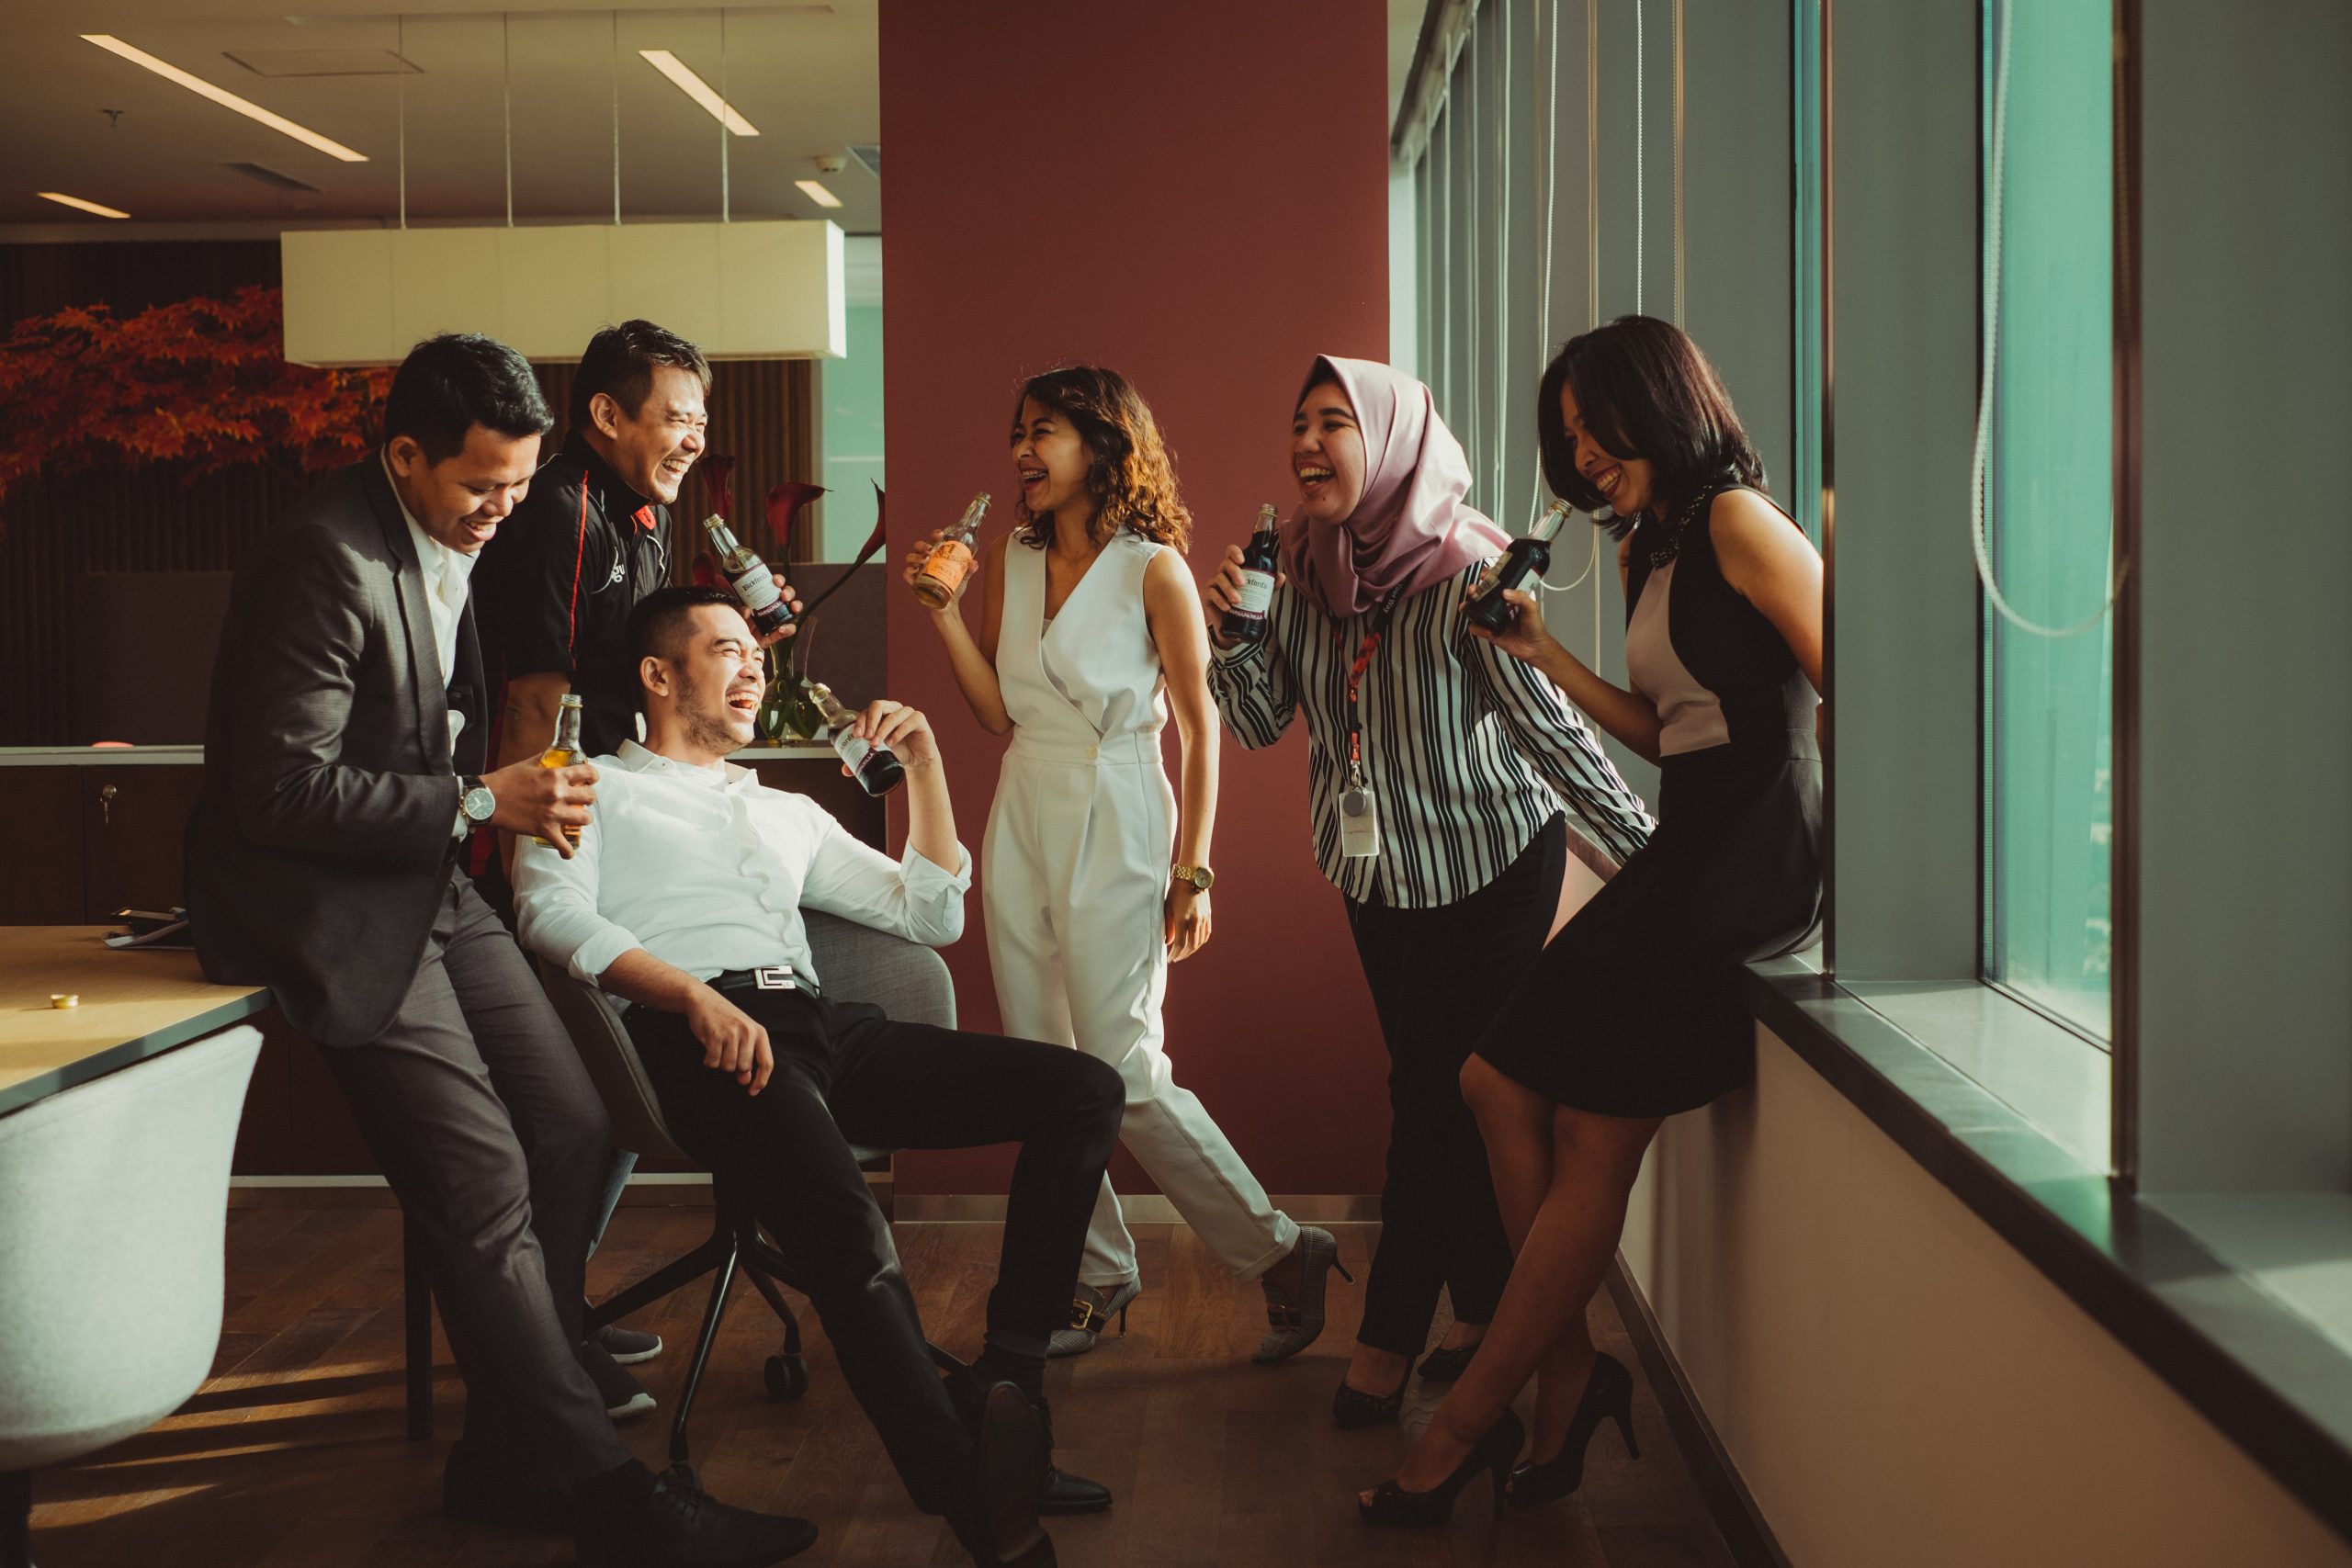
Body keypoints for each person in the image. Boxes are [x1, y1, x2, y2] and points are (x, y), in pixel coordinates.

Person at [184, 333, 816, 1566]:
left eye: (522, 485)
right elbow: (273, 792)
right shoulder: (323, 557)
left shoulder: (465, 533)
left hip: (434, 882)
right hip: (336, 905)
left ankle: (502, 1448)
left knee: (576, 1126)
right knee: (478, 1186)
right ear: (404, 452)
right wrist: (482, 803)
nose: (505, 511)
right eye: (483, 486)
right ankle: (606, 1495)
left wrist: (485, 807)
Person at [513, 584, 1129, 1568]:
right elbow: (548, 914)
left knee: (1086, 1090)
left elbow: (931, 916)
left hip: (819, 1029)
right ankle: (969, 1487)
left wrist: (926, 769)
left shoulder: (784, 809)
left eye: (757, 650)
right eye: (726, 648)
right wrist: (686, 998)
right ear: (659, 675)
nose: (755, 663)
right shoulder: (590, 785)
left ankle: (1004, 1388)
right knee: (852, 1231)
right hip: (700, 1034)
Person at [1360, 317, 1823, 1526]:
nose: (1580, 454)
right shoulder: (1651, 546)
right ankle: (1569, 1363)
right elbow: (1671, 730)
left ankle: (1469, 1421)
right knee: (1493, 1081)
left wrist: (1864, 877)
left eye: (1593, 425)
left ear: (1659, 405)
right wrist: (1545, 654)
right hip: (1691, 843)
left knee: (1594, 1134)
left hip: (1754, 854)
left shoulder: (1737, 521)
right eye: (1566, 436)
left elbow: (1857, 677)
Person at [1202, 355, 1653, 1428]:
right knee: (1437, 1092)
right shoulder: (1307, 568)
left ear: (1393, 441)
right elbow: (1265, 725)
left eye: (1334, 423)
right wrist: (1237, 636)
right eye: (1297, 422)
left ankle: (1387, 1340)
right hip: (1371, 871)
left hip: (1487, 864)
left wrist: (1654, 865)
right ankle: (1484, 1308)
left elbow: (1552, 734)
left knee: (1429, 1103)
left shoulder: (1468, 570)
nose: (1307, 443)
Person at [910, 366, 1340, 1361]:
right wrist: (940, 612)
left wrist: (1194, 872)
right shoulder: (1012, 560)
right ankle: (1097, 1272)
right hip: (1024, 804)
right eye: (1018, 430)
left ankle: (1279, 1250)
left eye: (1046, 431)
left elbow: (1202, 729)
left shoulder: (1155, 569)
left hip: (1122, 806)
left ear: (1104, 446)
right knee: (1045, 1065)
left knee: (1120, 1065)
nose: (1024, 449)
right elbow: (991, 712)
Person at [469, 319, 800, 1416]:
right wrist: (529, 854)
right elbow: (537, 698)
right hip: (556, 829)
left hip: (601, 816)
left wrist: (739, 643)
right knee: (569, 1110)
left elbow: (636, 669)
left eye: (704, 422)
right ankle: (534, 1346)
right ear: (607, 416)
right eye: (676, 418)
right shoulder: (564, 513)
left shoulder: (641, 519)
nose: (693, 439)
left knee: (605, 1099)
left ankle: (555, 1317)